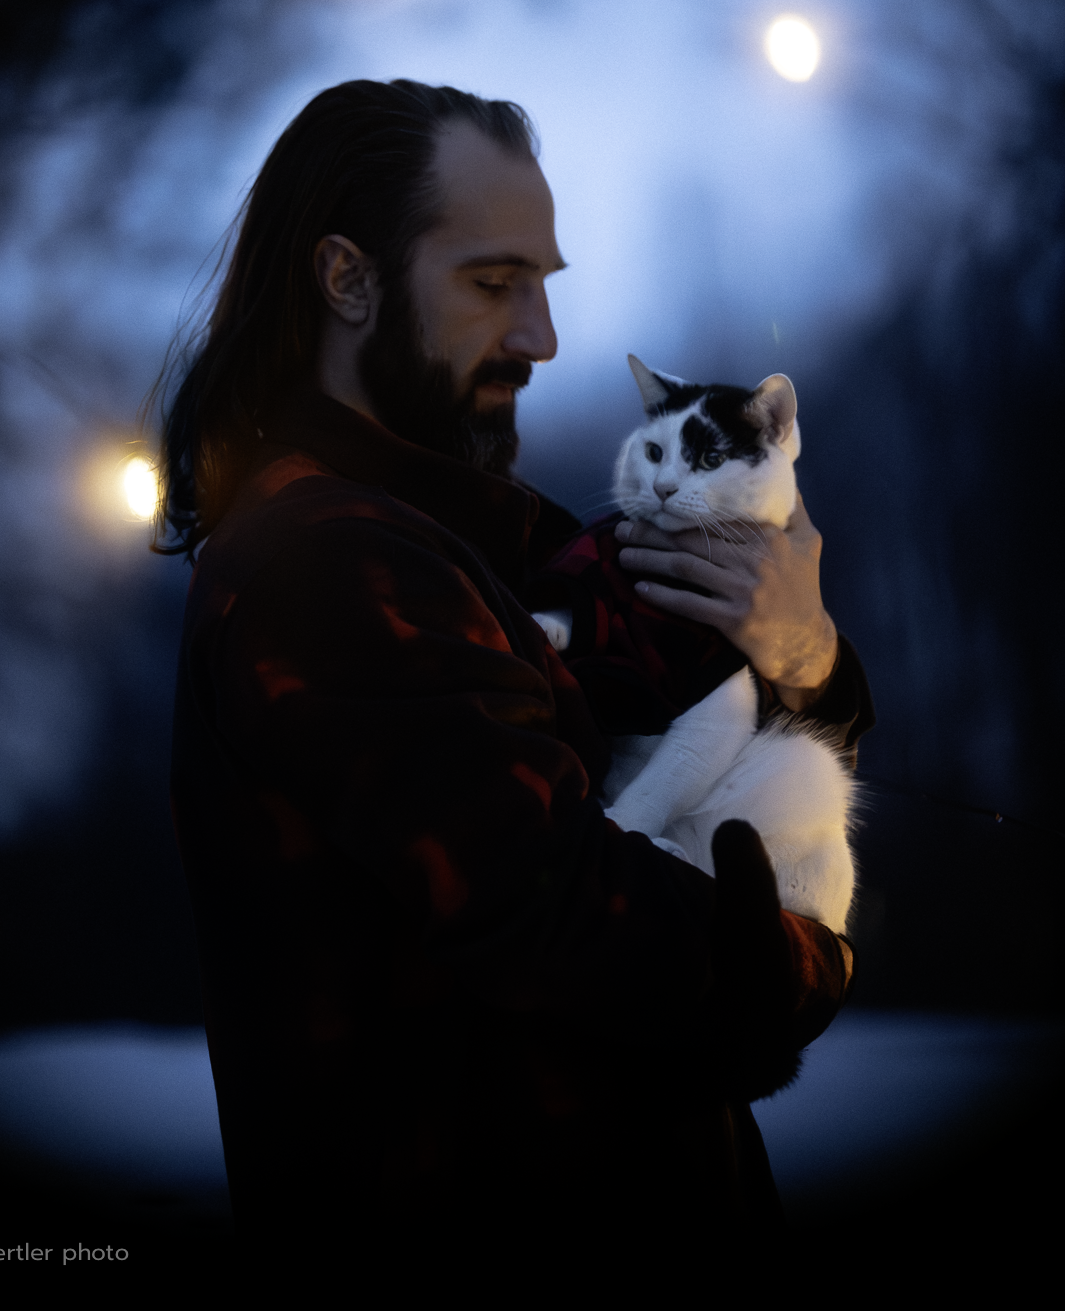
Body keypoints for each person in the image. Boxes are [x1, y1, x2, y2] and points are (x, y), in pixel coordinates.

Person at [157, 79, 871, 1267]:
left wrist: (804, 662)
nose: (540, 336)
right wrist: (812, 961)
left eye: (544, 285)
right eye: (494, 285)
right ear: (347, 280)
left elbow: (714, 742)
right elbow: (579, 928)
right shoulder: (329, 562)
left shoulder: (479, 541)